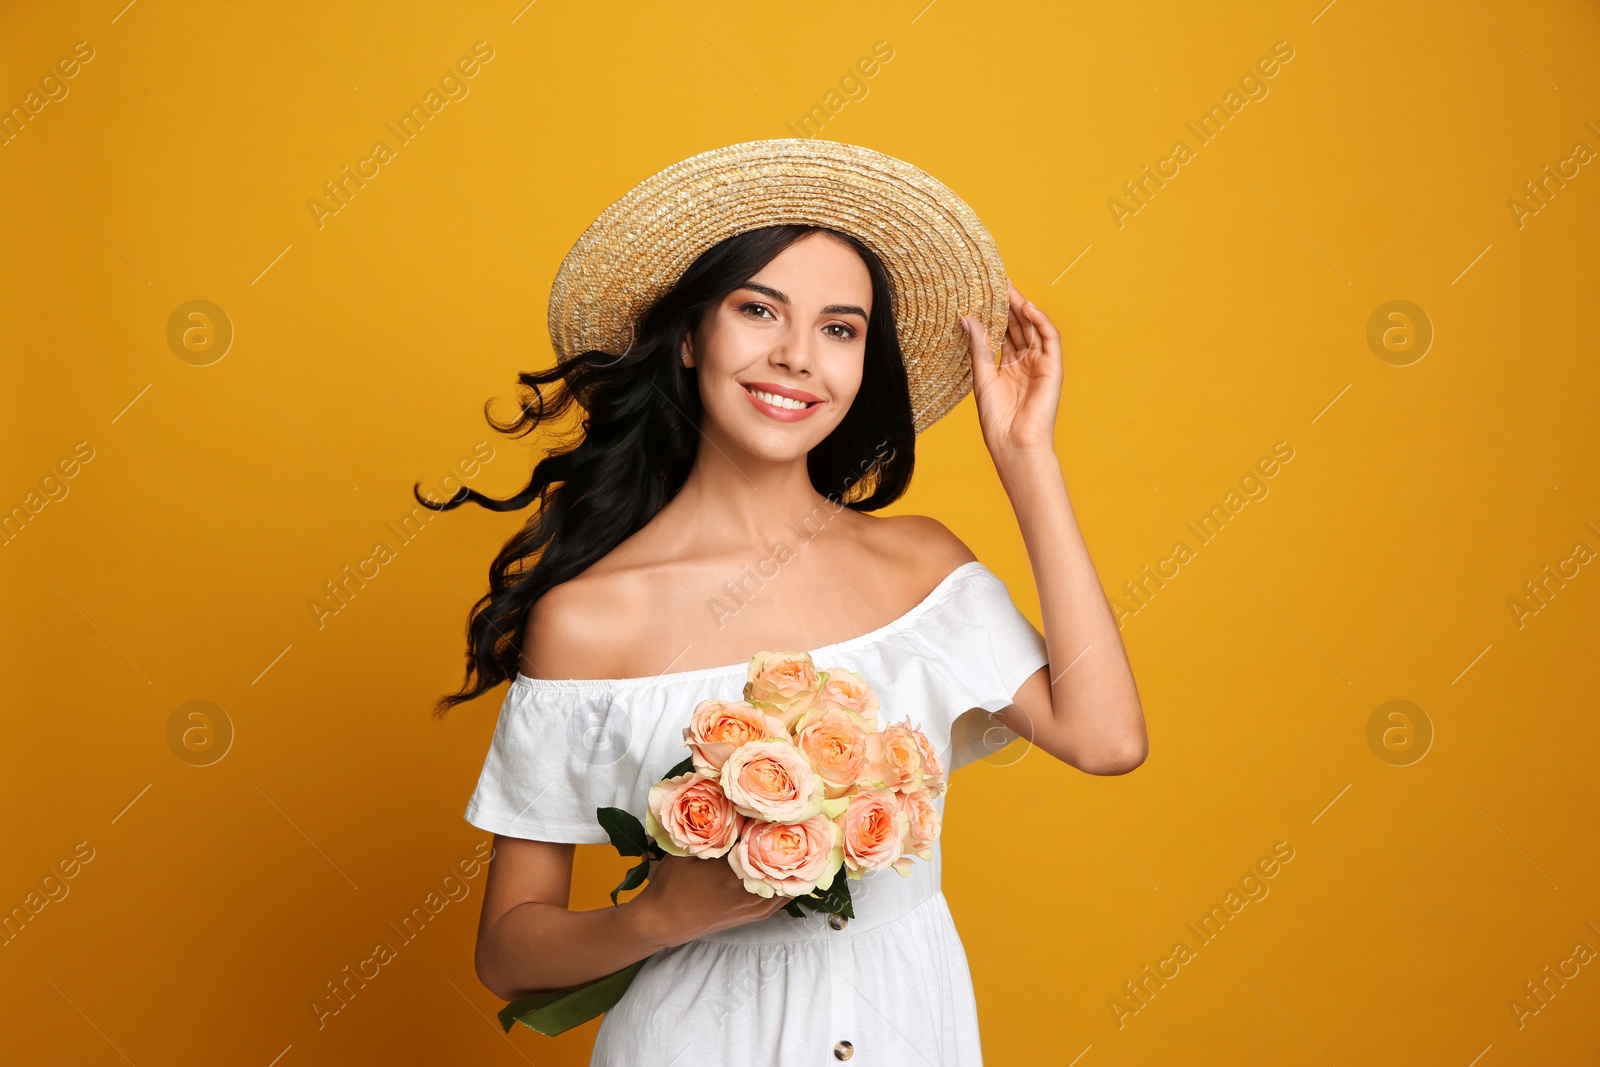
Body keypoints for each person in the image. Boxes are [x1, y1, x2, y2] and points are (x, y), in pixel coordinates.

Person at [424, 139, 1148, 1064]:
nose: (797, 356)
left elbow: (1107, 739)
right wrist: (660, 914)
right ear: (689, 337)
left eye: (839, 329)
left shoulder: (919, 564)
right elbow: (508, 951)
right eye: (758, 309)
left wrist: (1028, 463)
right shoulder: (591, 620)